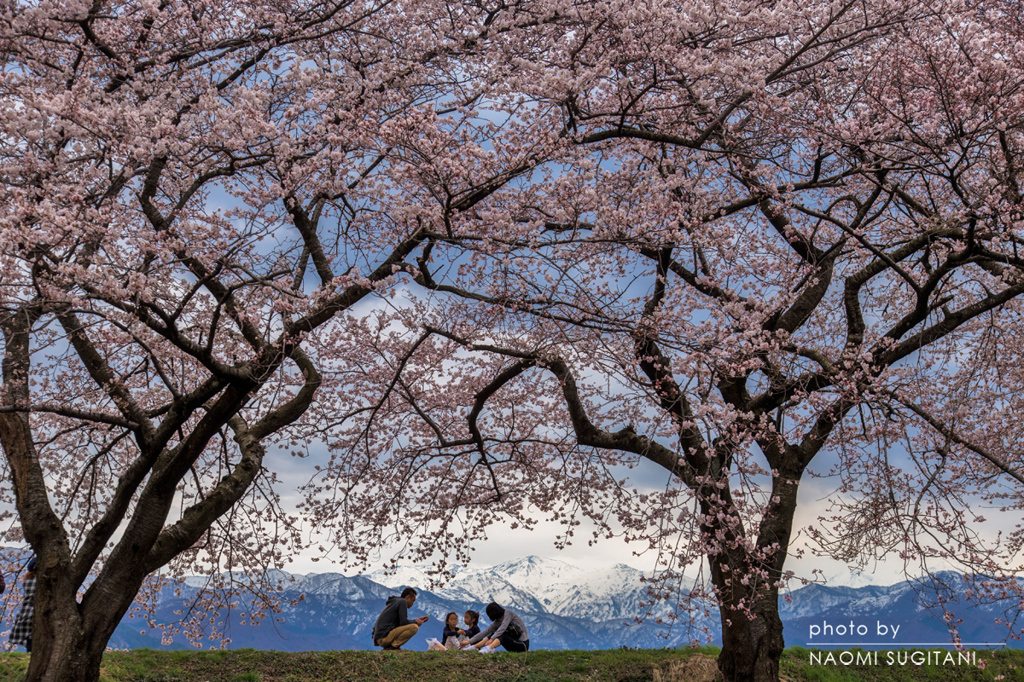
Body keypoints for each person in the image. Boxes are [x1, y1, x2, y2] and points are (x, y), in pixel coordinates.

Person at [462, 602, 529, 652]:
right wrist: (469, 642)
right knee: (494, 633)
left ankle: (489, 648)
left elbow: (503, 628)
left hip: (523, 645)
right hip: (513, 644)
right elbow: (485, 632)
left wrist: (491, 639)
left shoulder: (508, 613)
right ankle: (473, 647)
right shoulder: (498, 621)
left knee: (502, 634)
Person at [9, 557, 37, 653]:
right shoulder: (39, 580)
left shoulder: (27, 579)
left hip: (25, 611)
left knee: (29, 637)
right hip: (35, 611)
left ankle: (30, 655)